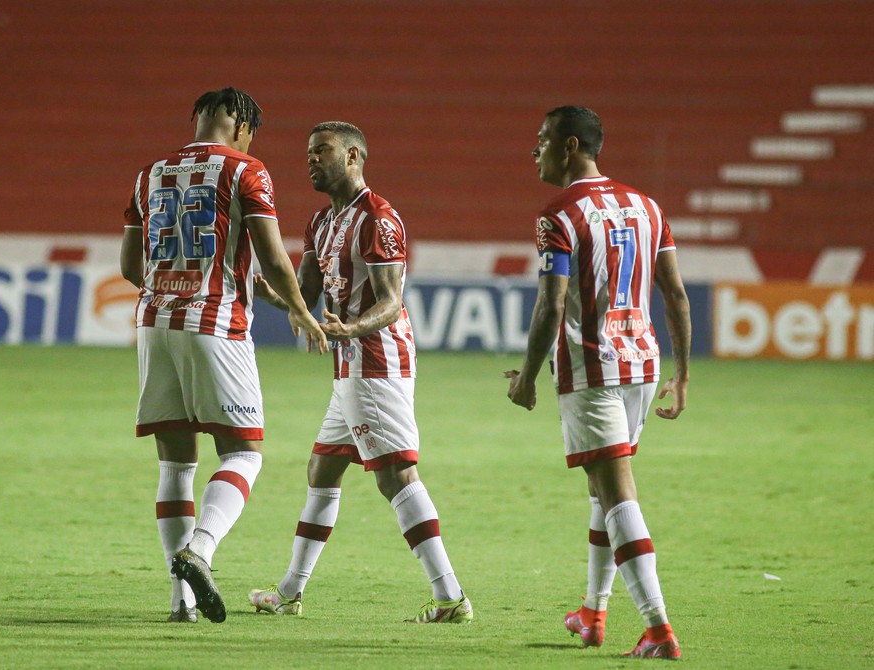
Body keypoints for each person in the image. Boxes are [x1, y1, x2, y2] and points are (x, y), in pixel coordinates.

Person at [248, 121, 472, 624]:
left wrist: (349, 329)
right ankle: (289, 590)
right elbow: (304, 295)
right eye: (308, 151)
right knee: (322, 469)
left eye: (321, 151)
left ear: (353, 157)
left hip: (375, 363)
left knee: (396, 477)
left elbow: (391, 302)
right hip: (349, 366)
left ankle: (450, 597)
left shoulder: (378, 219)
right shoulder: (321, 223)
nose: (310, 159)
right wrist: (272, 296)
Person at [119, 87, 328, 625]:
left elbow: (129, 264)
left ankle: (179, 603)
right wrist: (301, 311)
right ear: (240, 125)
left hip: (153, 320)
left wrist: (177, 282)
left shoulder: (150, 173)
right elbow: (274, 256)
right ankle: (201, 551)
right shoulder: (245, 170)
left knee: (176, 462)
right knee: (244, 453)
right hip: (214, 323)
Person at [505, 106, 691, 659]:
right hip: (643, 363)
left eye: (540, 140)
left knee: (616, 492)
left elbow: (551, 302)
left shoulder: (558, 214)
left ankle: (658, 629)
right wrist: (682, 375)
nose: (532, 150)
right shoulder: (648, 206)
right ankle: (593, 611)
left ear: (569, 146)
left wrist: (528, 378)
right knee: (601, 488)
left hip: (593, 367)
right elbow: (676, 293)